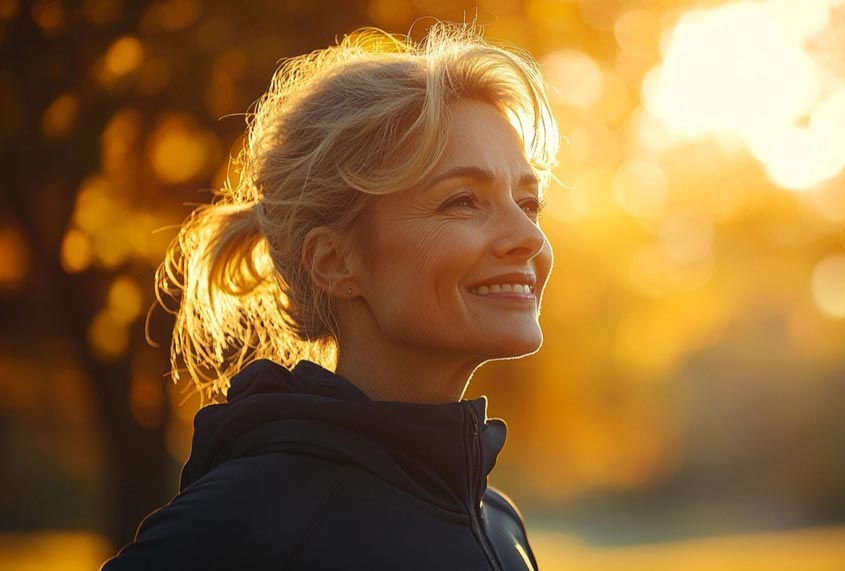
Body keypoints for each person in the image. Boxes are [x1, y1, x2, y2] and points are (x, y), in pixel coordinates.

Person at [100, 21, 558, 571]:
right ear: (336, 262)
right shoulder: (249, 520)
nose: (530, 238)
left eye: (528, 203)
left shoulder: (499, 520)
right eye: (463, 201)